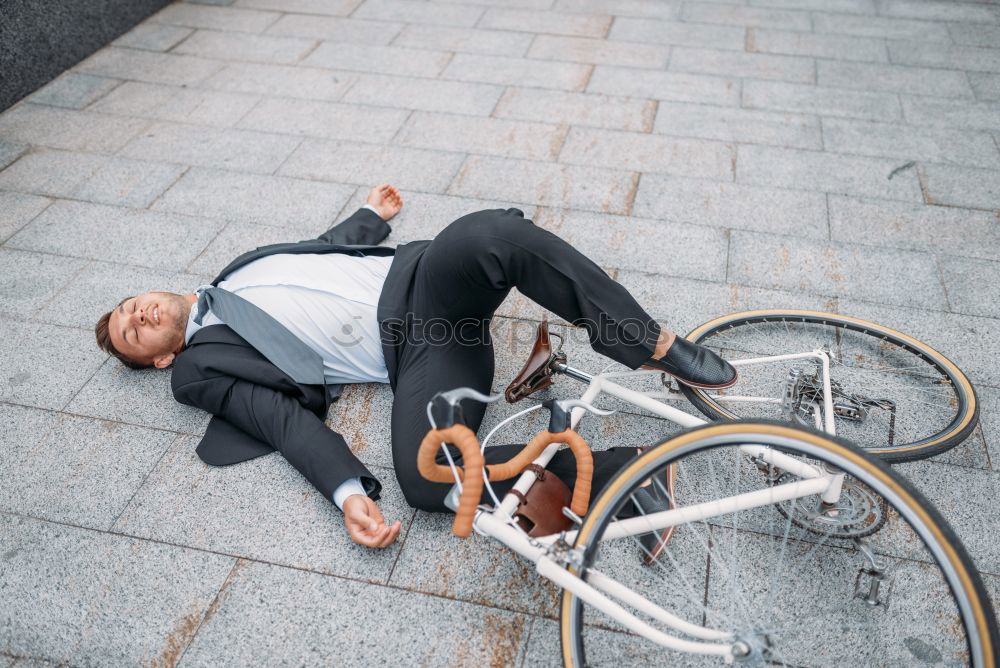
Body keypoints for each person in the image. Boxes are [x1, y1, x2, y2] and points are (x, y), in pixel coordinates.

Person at [94, 184, 736, 555]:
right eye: (134, 331)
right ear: (160, 357)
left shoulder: (233, 269)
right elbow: (278, 421)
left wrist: (371, 216)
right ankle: (629, 469)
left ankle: (649, 343)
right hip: (419, 349)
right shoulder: (197, 368)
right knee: (428, 479)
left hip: (424, 275)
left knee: (490, 233)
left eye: (131, 305)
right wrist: (347, 496)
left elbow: (322, 251)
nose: (140, 313)